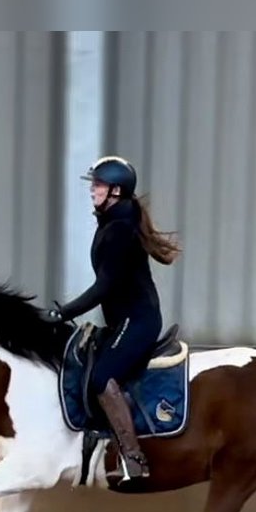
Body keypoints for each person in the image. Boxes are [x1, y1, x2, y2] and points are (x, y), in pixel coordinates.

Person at [44, 155, 181, 484]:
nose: (92, 190)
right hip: (127, 320)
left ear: (116, 191)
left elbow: (105, 287)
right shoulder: (115, 221)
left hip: (138, 321)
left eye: (98, 185)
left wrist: (63, 313)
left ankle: (134, 460)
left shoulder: (119, 230)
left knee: (100, 378)